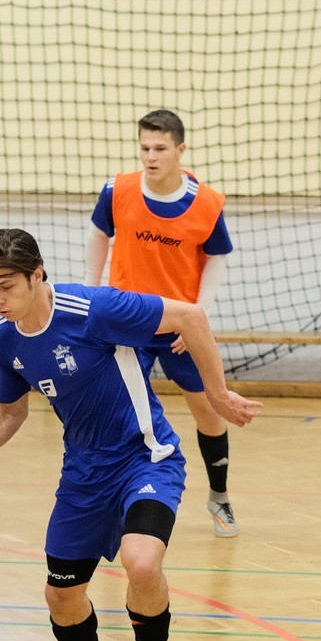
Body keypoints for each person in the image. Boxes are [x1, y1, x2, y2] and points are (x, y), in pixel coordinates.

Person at [0, 229, 259, 641]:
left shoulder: (95, 309)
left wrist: (216, 395)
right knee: (60, 594)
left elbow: (190, 317)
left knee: (142, 563)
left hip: (146, 459)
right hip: (84, 474)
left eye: (6, 286)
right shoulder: (6, 340)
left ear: (37, 275)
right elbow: (10, 412)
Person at [84, 110, 242, 537]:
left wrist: (199, 314)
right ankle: (119, 501)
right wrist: (90, 292)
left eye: (159, 149)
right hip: (126, 320)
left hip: (178, 325)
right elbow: (99, 235)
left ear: (180, 150)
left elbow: (217, 257)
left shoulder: (206, 203)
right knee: (119, 414)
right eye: (144, 148)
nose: (150, 157)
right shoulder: (117, 191)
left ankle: (219, 496)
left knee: (208, 409)